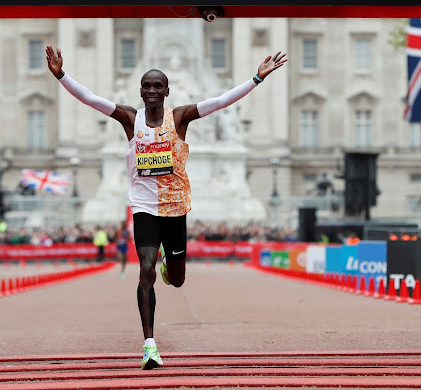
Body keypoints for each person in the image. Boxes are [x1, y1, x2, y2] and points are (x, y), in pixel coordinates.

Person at [46, 44, 286, 370]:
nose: (151, 90)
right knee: (145, 268)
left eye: (158, 86)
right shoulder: (130, 119)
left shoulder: (180, 117)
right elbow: (91, 99)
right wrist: (61, 75)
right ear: (140, 91)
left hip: (175, 208)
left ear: (167, 91)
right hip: (144, 206)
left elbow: (219, 102)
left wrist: (256, 78)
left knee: (177, 278)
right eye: (146, 85)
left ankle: (168, 265)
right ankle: (149, 344)